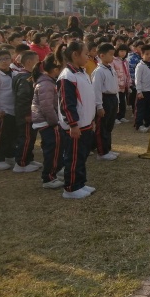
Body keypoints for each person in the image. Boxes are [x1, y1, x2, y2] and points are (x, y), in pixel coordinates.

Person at [55, 41, 97, 199]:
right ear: (75, 55)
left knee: (81, 156)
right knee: (73, 158)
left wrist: (91, 119)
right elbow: (67, 104)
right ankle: (71, 188)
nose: (88, 57)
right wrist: (73, 124)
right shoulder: (67, 76)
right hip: (75, 126)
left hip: (85, 124)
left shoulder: (82, 73)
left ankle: (80, 183)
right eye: (85, 54)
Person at [31, 53, 65, 189]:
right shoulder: (46, 84)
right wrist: (54, 123)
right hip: (47, 122)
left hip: (49, 121)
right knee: (53, 150)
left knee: (56, 148)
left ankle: (56, 171)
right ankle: (49, 178)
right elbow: (47, 107)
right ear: (55, 70)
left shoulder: (49, 81)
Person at [12, 50, 40, 173]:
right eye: (37, 60)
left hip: (31, 112)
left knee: (31, 137)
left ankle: (28, 159)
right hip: (26, 114)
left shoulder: (27, 76)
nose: (39, 63)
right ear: (29, 62)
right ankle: (21, 163)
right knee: (26, 138)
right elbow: (23, 98)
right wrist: (27, 113)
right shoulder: (25, 78)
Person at [91, 43, 119, 161]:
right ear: (102, 55)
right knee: (102, 127)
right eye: (111, 54)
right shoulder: (98, 71)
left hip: (112, 98)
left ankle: (107, 148)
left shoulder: (111, 68)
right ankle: (102, 152)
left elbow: (115, 85)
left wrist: (117, 101)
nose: (113, 57)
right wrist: (99, 106)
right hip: (104, 99)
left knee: (109, 126)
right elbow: (96, 89)